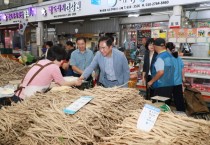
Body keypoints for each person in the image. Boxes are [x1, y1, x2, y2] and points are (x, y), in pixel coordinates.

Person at [12, 45, 82, 102]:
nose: (61, 63)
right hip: (25, 100)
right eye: (61, 60)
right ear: (58, 59)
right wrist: (75, 82)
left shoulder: (40, 62)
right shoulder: (54, 67)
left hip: (17, 95)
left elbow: (42, 81)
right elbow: (63, 84)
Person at [166, 42, 186, 111]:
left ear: (168, 49)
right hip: (178, 82)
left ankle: (165, 113)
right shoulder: (178, 58)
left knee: (167, 99)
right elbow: (182, 69)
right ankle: (182, 113)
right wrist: (183, 79)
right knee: (179, 99)